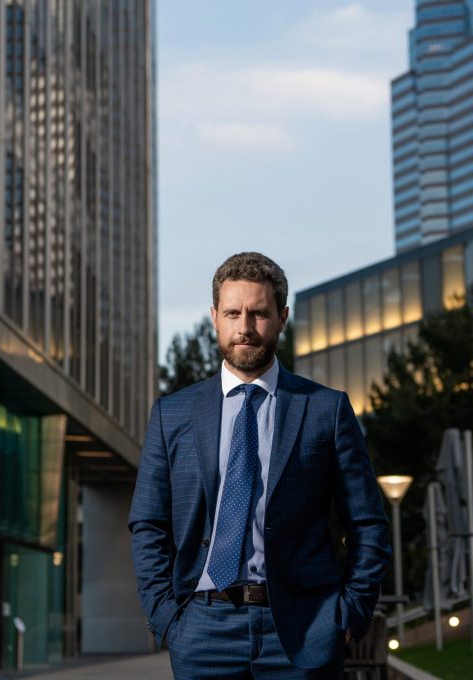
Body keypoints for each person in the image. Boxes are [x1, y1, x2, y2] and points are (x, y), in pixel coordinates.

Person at [129, 252, 391, 679]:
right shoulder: (171, 414)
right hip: (202, 631)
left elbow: (368, 524)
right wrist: (167, 620)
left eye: (259, 313)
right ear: (215, 316)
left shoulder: (327, 409)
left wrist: (346, 618)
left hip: (304, 630)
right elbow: (148, 524)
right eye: (233, 312)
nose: (245, 328)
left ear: (282, 317)